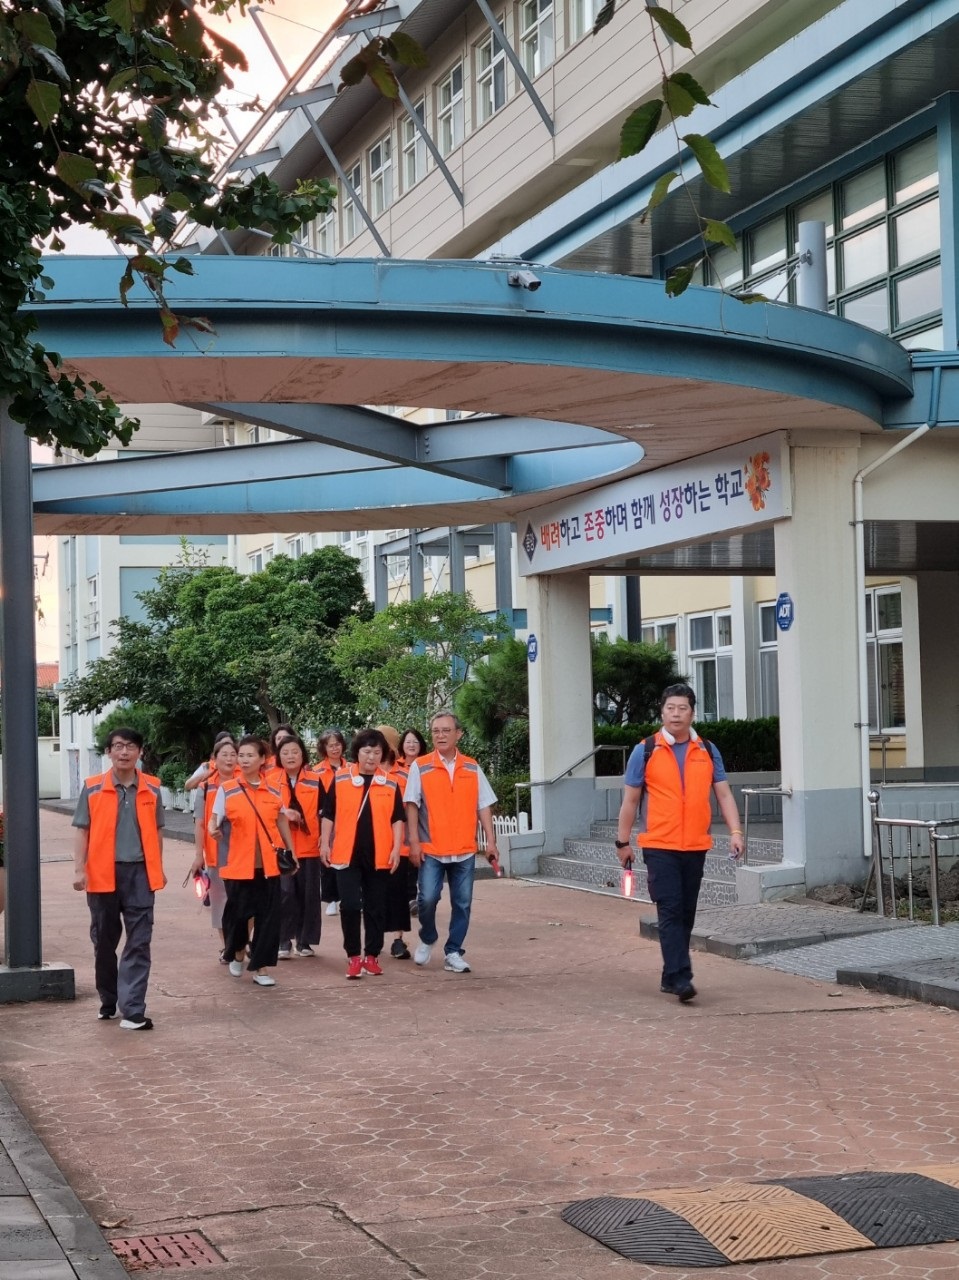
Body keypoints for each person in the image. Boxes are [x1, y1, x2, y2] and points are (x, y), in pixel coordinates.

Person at [615, 683, 744, 1003]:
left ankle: (670, 974)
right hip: (659, 845)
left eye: (682, 708)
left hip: (696, 846)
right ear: (662, 711)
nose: (676, 714)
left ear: (692, 712)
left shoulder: (708, 750)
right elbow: (630, 801)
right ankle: (682, 976)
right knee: (670, 909)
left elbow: (724, 794)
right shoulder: (645, 750)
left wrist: (736, 832)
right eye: (670, 708)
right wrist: (622, 842)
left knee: (686, 912)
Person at [72, 727, 166, 1030]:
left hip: (139, 873)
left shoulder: (152, 788)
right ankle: (109, 998)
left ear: (139, 752)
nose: (124, 752)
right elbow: (81, 831)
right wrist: (79, 870)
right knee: (104, 941)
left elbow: (158, 831)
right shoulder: (93, 788)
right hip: (102, 874)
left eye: (130, 747)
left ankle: (133, 1009)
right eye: (118, 746)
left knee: (140, 940)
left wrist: (158, 867)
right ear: (109, 752)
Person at [404, 711, 499, 974]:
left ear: (458, 734)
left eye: (446, 730)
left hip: (465, 850)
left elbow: (483, 806)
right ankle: (428, 935)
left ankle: (454, 951)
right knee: (427, 899)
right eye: (435, 731)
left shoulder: (471, 767)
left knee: (463, 903)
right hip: (432, 848)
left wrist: (490, 842)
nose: (440, 735)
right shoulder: (420, 766)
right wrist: (413, 841)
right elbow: (411, 805)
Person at [209, 735, 294, 988]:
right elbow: (215, 817)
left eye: (249, 756)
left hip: (268, 866)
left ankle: (261, 967)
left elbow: (281, 822)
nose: (243, 760)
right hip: (239, 866)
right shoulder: (228, 789)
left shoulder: (273, 790)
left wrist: (291, 852)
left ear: (262, 760)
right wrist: (214, 829)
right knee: (238, 916)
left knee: (268, 918)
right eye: (240, 756)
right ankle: (235, 952)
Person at [320, 728, 405, 980]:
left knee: (376, 906)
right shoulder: (342, 778)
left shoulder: (390, 782)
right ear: (357, 752)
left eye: (377, 752)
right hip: (346, 853)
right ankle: (353, 956)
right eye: (366, 751)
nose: (371, 756)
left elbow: (397, 818)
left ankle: (372, 955)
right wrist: (325, 844)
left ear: (383, 755)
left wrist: (397, 848)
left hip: (379, 854)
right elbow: (328, 814)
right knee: (350, 904)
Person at [274, 733, 324, 959]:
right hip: (282, 847)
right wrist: (285, 813)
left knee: (309, 894)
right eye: (285, 753)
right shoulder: (271, 781)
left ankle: (305, 940)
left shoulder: (315, 779)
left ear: (303, 754)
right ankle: (283, 939)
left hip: (309, 846)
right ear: (279, 756)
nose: (290, 756)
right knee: (284, 893)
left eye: (295, 752)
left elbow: (326, 812)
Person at [188, 735, 238, 959]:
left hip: (243, 851)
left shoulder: (246, 782)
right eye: (223, 755)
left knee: (244, 900)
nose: (229, 759)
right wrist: (199, 855)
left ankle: (240, 942)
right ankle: (228, 946)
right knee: (220, 902)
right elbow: (199, 823)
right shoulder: (206, 786)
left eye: (233, 754)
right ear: (214, 760)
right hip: (216, 851)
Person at [316, 728, 347, 917]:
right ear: (324, 748)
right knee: (327, 859)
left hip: (347, 819)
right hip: (325, 819)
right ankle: (331, 900)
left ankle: (345, 895)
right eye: (330, 745)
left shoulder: (352, 767)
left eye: (337, 744)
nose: (335, 748)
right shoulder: (317, 771)